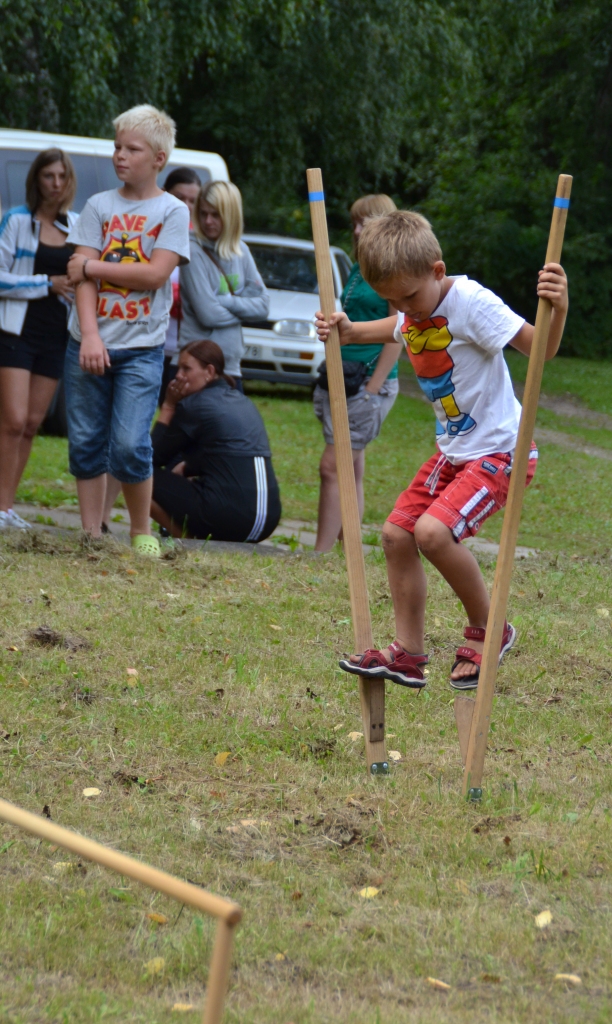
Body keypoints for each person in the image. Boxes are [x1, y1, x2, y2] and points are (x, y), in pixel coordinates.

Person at [315, 210, 568, 690]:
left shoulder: (471, 302)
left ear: (436, 270)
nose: (403, 308)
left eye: (408, 296)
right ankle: (409, 651)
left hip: (499, 452)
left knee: (432, 534)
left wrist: (559, 306)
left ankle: (490, 629)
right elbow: (393, 327)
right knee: (395, 535)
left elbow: (541, 351)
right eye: (392, 299)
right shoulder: (412, 308)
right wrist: (348, 329)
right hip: (455, 452)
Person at [65, 104, 190, 556]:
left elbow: (156, 275)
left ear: (158, 158)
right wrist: (91, 335)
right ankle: (91, 535)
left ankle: (140, 532)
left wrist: (92, 264)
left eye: (132, 149)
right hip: (88, 342)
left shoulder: (173, 210)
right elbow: (80, 282)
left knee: (129, 443)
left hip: (141, 348)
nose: (120, 155)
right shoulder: (98, 206)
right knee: (85, 441)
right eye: (117, 146)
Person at [314, 193, 400, 551]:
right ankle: (349, 549)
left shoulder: (393, 267)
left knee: (332, 467)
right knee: (353, 470)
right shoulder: (357, 265)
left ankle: (319, 555)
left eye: (365, 221)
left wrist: (372, 387)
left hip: (368, 381)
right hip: (347, 376)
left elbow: (400, 329)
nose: (358, 228)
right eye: (355, 222)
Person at [0, 149, 78, 529]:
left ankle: (7, 507)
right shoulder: (16, 220)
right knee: (12, 420)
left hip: (56, 336)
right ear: (37, 180)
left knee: (32, 423)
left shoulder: (77, 227)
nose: (56, 184)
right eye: (49, 176)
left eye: (62, 176)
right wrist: (47, 283)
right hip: (15, 332)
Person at [151, 340, 281, 542]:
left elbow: (151, 457)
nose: (178, 375)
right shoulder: (242, 401)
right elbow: (223, 454)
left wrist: (168, 407)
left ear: (209, 372)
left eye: (186, 369)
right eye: (178, 368)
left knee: (136, 473)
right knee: (179, 470)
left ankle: (187, 541)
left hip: (229, 517)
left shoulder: (194, 405)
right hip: (268, 520)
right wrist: (186, 468)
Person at [179, 180, 268, 391]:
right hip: (196, 369)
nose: (208, 221)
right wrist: (244, 307)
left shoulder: (241, 251)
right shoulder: (192, 250)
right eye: (203, 214)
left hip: (232, 368)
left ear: (231, 215)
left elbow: (264, 307)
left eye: (216, 215)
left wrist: (224, 301)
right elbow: (208, 314)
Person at [160, 166, 201, 403]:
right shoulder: (150, 232)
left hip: (187, 349)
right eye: (179, 198)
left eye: (192, 200)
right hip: (153, 342)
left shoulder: (202, 243)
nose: (186, 205)